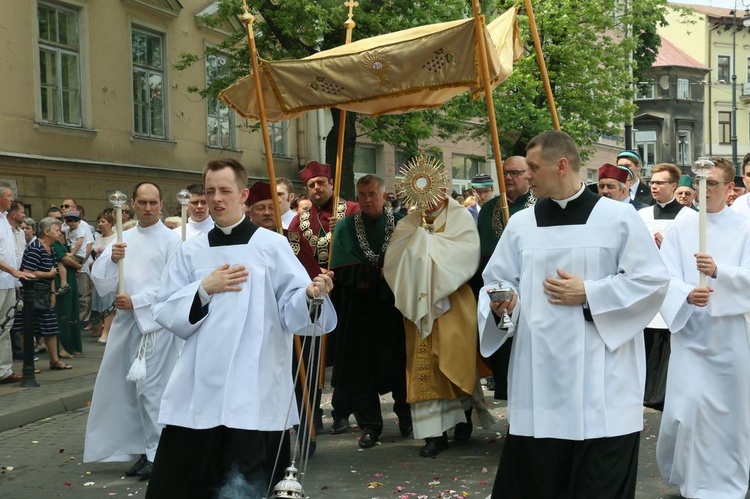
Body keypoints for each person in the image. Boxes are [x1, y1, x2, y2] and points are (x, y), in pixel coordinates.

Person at [479, 131, 669, 498]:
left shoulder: (617, 217)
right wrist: (503, 303)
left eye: (533, 167)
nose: (527, 175)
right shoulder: (521, 224)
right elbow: (498, 281)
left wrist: (591, 292)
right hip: (539, 376)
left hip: (602, 376)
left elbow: (651, 282)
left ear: (561, 165)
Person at [145, 158, 336, 498]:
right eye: (209, 191)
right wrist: (205, 287)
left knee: (248, 481)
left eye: (224, 191)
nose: (216, 199)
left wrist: (310, 293)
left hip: (255, 382)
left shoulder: (271, 246)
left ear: (243, 195)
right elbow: (164, 308)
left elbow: (293, 310)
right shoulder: (190, 251)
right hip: (200, 385)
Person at [656, 158, 750, 498]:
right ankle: (691, 477)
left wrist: (719, 272)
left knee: (729, 411)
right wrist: (685, 293)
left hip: (729, 336)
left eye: (713, 184)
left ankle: (728, 479)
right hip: (691, 334)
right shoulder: (681, 228)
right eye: (701, 183)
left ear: (729, 189)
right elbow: (662, 277)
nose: (705, 190)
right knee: (689, 409)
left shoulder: (745, 227)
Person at [384, 184, 493, 458]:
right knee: (426, 367)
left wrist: (430, 245)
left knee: (457, 359)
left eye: (433, 193)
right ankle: (434, 434)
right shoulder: (409, 223)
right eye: (422, 196)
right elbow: (394, 260)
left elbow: (467, 255)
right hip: (419, 307)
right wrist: (418, 243)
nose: (428, 201)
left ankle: (463, 416)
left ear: (442, 189)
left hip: (453, 301)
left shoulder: (460, 218)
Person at [84, 182, 181, 480]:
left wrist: (137, 300)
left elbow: (175, 286)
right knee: (128, 392)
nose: (148, 208)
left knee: (151, 390)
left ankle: (157, 453)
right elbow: (100, 279)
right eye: (143, 202)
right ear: (134, 205)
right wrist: (113, 259)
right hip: (127, 324)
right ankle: (142, 449)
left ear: (162, 205)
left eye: (153, 203)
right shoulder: (124, 238)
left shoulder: (171, 241)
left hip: (155, 325)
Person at [329, 174, 411, 449]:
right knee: (360, 367)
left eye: (371, 194)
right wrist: (376, 274)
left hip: (394, 307)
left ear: (384, 196)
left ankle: (407, 418)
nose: (365, 200)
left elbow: (414, 261)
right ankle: (370, 426)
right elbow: (342, 267)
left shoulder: (403, 224)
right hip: (360, 307)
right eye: (361, 195)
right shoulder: (345, 227)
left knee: (400, 363)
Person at [287, 161, 359, 433]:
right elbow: (292, 254)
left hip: (347, 293)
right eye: (311, 185)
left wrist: (345, 230)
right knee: (312, 358)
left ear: (331, 184)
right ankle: (312, 414)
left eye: (320, 183)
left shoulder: (351, 211)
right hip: (315, 294)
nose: (317, 188)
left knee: (345, 357)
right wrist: (312, 275)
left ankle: (343, 412)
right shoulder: (299, 220)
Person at [475, 156, 536, 399]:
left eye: (515, 173)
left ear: (528, 174)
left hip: (530, 291)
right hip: (498, 289)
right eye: (505, 173)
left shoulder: (538, 205)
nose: (509, 177)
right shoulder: (489, 208)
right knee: (504, 348)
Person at [637, 163, 689, 411]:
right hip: (647, 287)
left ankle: (663, 394)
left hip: (673, 287)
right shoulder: (642, 216)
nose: (654, 186)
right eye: (652, 182)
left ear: (674, 186)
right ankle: (646, 391)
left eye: (660, 182)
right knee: (647, 340)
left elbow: (691, 255)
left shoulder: (688, 217)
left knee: (668, 342)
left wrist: (667, 246)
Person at [15, 217, 71, 370]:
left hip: (44, 294)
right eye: (57, 230)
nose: (60, 233)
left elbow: (53, 273)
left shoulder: (51, 248)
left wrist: (52, 293)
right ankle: (29, 365)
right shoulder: (35, 248)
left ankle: (54, 360)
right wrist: (47, 275)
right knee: (27, 329)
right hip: (30, 294)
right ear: (46, 231)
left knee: (50, 327)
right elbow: (27, 272)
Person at [0, 183, 34, 383]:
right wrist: (13, 271)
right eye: (9, 195)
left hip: (8, 282)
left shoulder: (5, 220)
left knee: (5, 327)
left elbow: (11, 253)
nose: (12, 199)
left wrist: (15, 279)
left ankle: (3, 370)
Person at [89, 211, 117, 343]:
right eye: (99, 221)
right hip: (98, 273)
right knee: (98, 302)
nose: (100, 224)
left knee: (108, 302)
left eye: (103, 221)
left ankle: (106, 332)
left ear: (111, 223)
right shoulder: (98, 238)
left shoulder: (116, 238)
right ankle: (101, 328)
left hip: (111, 274)